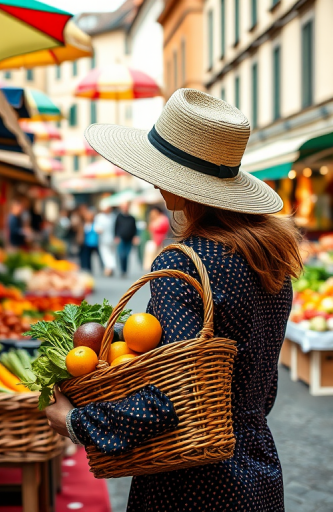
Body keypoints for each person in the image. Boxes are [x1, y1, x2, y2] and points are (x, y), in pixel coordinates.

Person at [45, 89, 302, 512]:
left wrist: (75, 422)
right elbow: (260, 382)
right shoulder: (269, 259)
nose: (155, 182)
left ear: (180, 185)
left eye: (159, 173)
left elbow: (170, 400)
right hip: (257, 472)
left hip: (193, 482)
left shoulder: (184, 267)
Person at [114, 202, 139, 277]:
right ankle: (122, 270)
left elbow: (134, 228)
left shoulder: (132, 218)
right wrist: (116, 236)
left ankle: (125, 270)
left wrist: (135, 237)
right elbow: (116, 227)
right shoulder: (119, 217)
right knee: (122, 254)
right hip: (121, 238)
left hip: (129, 238)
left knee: (127, 255)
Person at [142, 206, 170, 271]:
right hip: (155, 240)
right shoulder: (155, 219)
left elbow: (159, 228)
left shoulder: (163, 219)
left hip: (161, 240)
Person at [94, 205, 116, 276]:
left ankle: (110, 267)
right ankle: (109, 268)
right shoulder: (100, 217)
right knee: (105, 254)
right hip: (103, 239)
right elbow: (97, 227)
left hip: (111, 239)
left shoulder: (113, 216)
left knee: (110, 254)